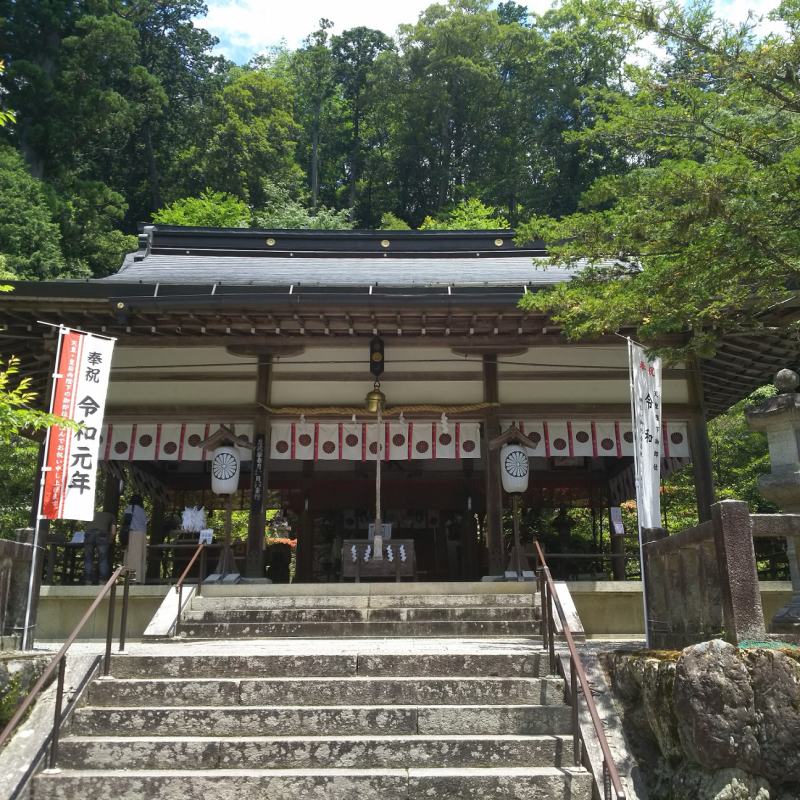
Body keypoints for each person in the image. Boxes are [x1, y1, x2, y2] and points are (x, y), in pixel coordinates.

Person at [84, 508, 117, 585]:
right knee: (103, 559)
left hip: (88, 533)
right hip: (101, 534)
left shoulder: (95, 514)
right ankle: (102, 581)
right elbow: (113, 532)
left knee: (88, 559)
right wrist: (110, 542)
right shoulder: (112, 516)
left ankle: (88, 581)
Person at [122, 494, 148, 583]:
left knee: (132, 556)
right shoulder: (143, 511)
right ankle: (140, 578)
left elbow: (126, 519)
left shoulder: (131, 508)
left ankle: (132, 579)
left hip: (134, 532)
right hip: (142, 534)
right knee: (140, 556)